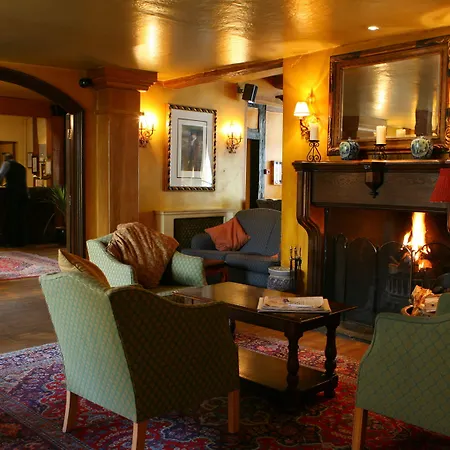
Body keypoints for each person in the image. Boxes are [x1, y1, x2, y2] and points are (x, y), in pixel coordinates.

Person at [0, 153, 29, 247]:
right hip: (22, 194)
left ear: (6, 158)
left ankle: (10, 241)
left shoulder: (6, 164)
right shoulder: (21, 167)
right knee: (20, 218)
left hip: (12, 194)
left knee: (11, 217)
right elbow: (24, 183)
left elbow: (0, 176)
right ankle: (21, 241)